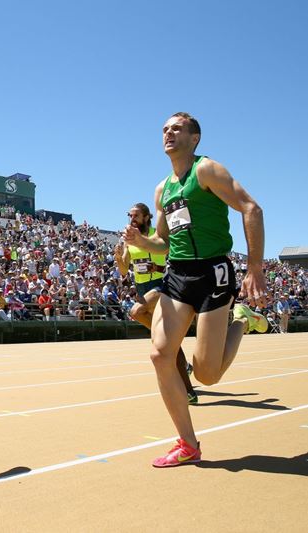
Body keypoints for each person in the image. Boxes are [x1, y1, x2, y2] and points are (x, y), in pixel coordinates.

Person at [122, 112, 267, 468]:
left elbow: (251, 207)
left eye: (177, 128)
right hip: (178, 276)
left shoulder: (206, 171)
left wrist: (255, 268)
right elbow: (163, 243)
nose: (168, 133)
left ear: (195, 138)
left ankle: (242, 321)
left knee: (207, 374)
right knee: (160, 355)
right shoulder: (162, 189)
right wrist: (142, 240)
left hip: (213, 273)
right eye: (165, 129)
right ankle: (188, 444)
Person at [115, 203, 198, 404]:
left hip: (161, 284)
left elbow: (168, 251)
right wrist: (119, 258)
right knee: (166, 342)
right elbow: (124, 270)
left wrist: (155, 263)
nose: (132, 219)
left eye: (136, 216)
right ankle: (189, 390)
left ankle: (186, 382)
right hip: (143, 289)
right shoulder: (127, 240)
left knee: (136, 312)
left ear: (146, 217)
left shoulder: (156, 233)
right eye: (130, 216)